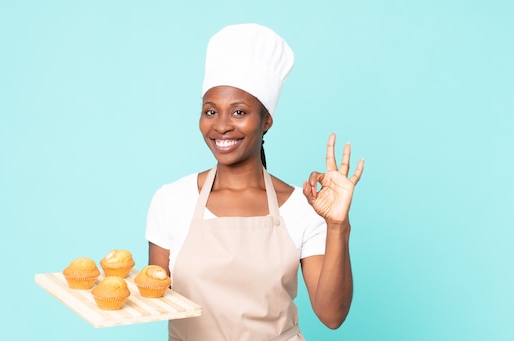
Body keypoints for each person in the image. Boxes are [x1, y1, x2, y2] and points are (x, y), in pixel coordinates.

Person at [145, 23, 364, 341]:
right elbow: (154, 298)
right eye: (210, 111)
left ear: (267, 121)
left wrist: (337, 226)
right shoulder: (171, 200)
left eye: (238, 112)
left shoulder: (303, 207)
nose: (221, 126)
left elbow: (332, 316)